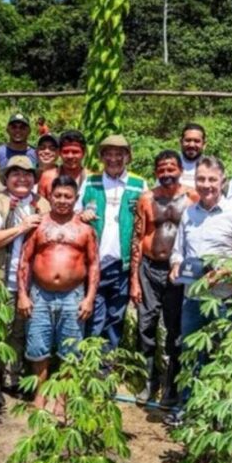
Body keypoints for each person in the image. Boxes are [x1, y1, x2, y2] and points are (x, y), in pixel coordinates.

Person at [167, 156, 232, 424]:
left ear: (222, 182)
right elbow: (178, 251)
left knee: (223, 355)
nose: (206, 185)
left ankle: (220, 414)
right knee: (191, 354)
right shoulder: (189, 213)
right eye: (201, 179)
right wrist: (175, 265)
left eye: (212, 180)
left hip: (224, 299)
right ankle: (187, 408)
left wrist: (224, 272)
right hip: (192, 299)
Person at [17, 175, 99, 412]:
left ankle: (63, 397)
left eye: (68, 196)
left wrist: (89, 297)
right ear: (50, 196)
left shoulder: (85, 229)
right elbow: (25, 260)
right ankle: (40, 394)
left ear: (75, 199)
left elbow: (94, 264)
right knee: (38, 346)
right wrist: (23, 294)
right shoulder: (38, 225)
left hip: (73, 295)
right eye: (58, 195)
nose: (62, 200)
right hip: (40, 294)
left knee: (70, 349)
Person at [128, 150, 198, 405]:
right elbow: (137, 238)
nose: (167, 174)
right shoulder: (146, 199)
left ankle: (172, 386)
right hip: (149, 268)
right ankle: (148, 381)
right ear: (156, 172)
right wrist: (134, 279)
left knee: (175, 330)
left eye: (171, 168)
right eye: (161, 170)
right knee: (145, 326)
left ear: (180, 169)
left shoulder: (192, 197)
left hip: (177, 271)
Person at [0, 156, 50, 395]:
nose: (22, 178)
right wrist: (21, 227)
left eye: (28, 174)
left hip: (30, 284)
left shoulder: (43, 204)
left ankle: (11, 379)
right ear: (6, 178)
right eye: (16, 173)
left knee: (18, 334)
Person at [79, 134, 148, 353]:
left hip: (123, 264)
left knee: (116, 316)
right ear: (101, 157)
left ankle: (108, 366)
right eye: (108, 154)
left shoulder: (138, 184)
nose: (114, 159)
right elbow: (74, 213)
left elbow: (145, 220)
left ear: (127, 156)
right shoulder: (91, 182)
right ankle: (91, 363)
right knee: (95, 314)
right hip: (95, 261)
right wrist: (82, 214)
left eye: (119, 154)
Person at [38, 130, 89, 200]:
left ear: (84, 153)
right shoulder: (47, 178)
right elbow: (40, 207)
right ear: (59, 152)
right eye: (65, 152)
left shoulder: (91, 179)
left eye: (75, 152)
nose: (70, 156)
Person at [178, 123, 206, 188]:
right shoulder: (170, 163)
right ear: (181, 142)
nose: (191, 145)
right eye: (188, 140)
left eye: (197, 141)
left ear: (204, 144)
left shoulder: (211, 166)